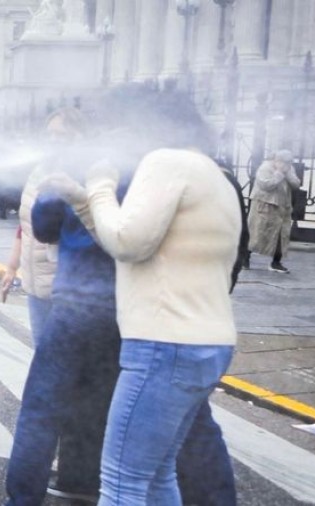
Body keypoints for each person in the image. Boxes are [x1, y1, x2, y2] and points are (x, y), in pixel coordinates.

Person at [49, 85, 241, 505]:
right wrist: (85, 203)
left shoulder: (164, 161)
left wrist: (99, 185)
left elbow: (128, 243)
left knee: (122, 483)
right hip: (205, 343)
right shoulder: (210, 172)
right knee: (156, 475)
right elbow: (142, 245)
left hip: (162, 343)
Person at [4, 107, 122, 505]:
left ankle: (51, 483)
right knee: (71, 389)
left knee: (48, 398)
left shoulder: (93, 174)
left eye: (64, 135)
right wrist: (13, 265)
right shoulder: (45, 169)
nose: (55, 141)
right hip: (43, 287)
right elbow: (28, 224)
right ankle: (75, 475)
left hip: (69, 292)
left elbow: (50, 227)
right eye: (50, 133)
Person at [247, 149, 300, 273]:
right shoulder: (265, 168)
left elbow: (296, 184)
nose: (286, 165)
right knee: (257, 233)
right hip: (264, 206)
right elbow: (266, 185)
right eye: (283, 162)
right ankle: (245, 257)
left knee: (281, 235)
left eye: (288, 162)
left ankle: (276, 262)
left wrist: (288, 174)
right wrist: (279, 174)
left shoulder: (289, 169)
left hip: (282, 208)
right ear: (275, 160)